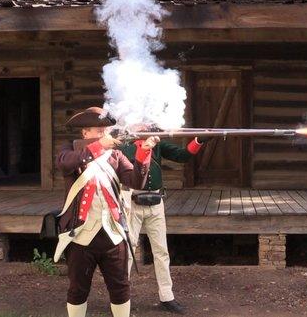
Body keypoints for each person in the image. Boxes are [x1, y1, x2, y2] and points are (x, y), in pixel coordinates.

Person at [54, 107, 160, 317]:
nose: (104, 134)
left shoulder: (116, 156)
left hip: (113, 235)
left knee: (121, 288)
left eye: (106, 131)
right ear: (85, 133)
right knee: (77, 290)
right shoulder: (72, 150)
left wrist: (144, 151)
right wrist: (97, 147)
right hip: (80, 235)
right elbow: (65, 164)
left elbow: (135, 181)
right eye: (99, 131)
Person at [122, 130, 207, 315]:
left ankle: (167, 297)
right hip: (132, 202)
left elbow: (183, 155)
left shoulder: (159, 145)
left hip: (156, 203)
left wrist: (199, 140)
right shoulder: (125, 146)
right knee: (127, 251)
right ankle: (121, 299)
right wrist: (145, 147)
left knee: (161, 251)